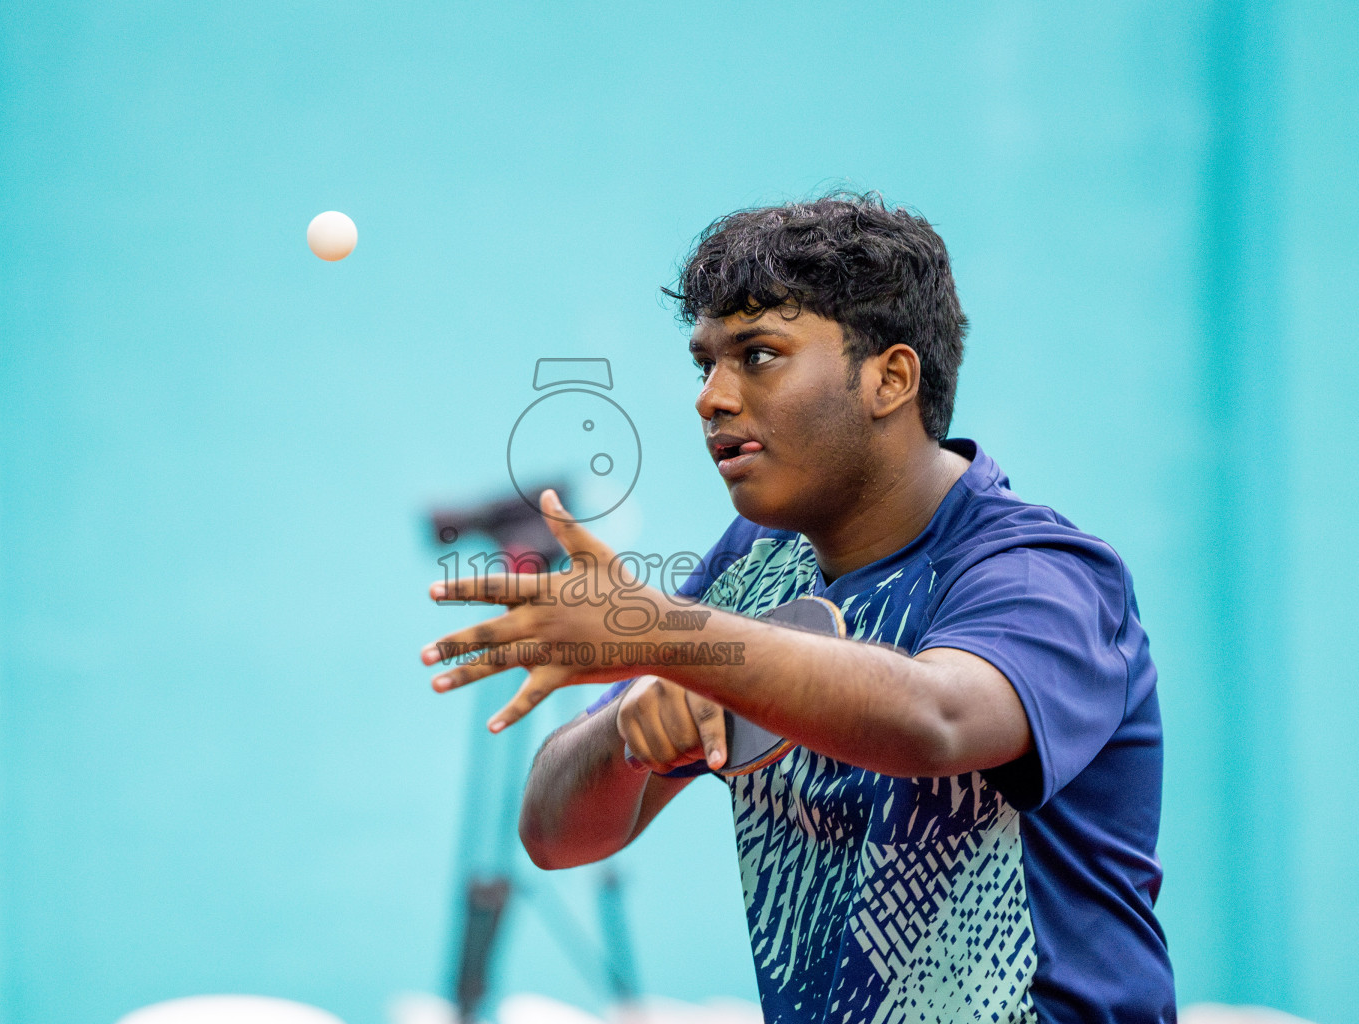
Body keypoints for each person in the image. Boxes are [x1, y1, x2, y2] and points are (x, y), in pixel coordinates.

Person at [422, 194, 1175, 1023]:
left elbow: (939, 720)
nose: (711, 397)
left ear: (889, 378)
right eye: (705, 363)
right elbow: (557, 836)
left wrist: (669, 639)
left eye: (759, 355)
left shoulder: (1038, 573)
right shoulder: (754, 562)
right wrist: (632, 727)